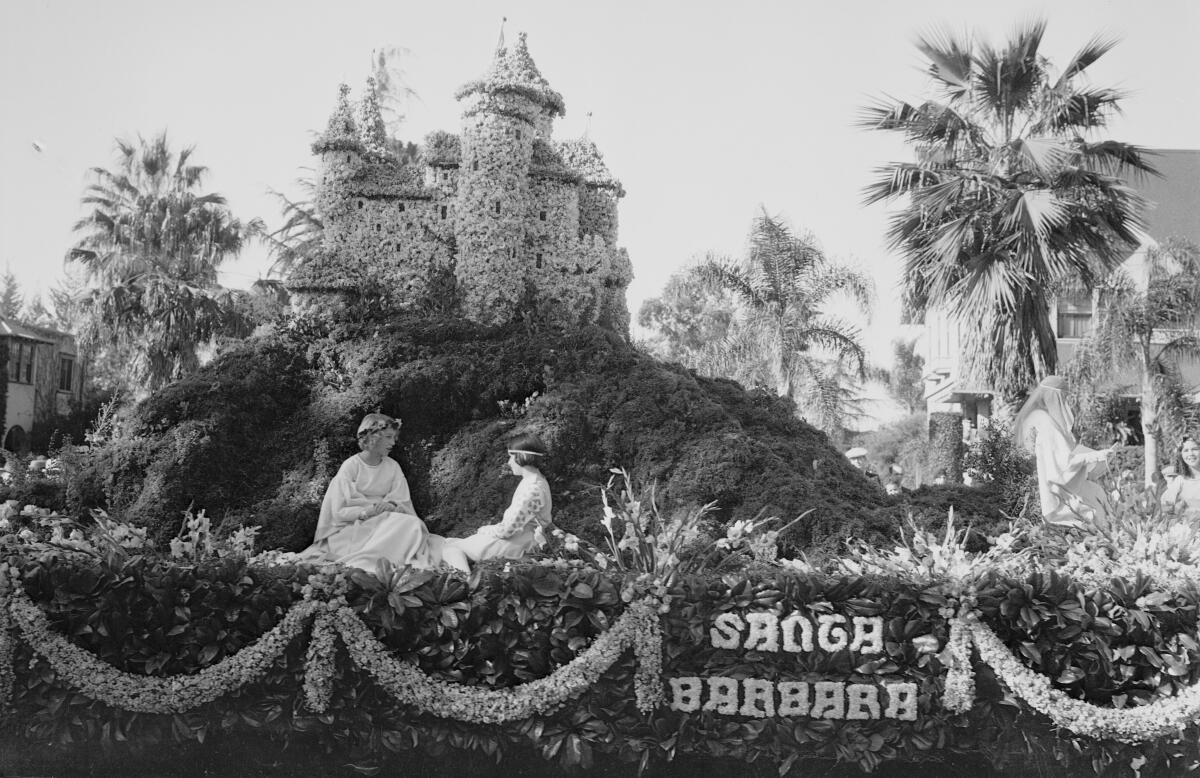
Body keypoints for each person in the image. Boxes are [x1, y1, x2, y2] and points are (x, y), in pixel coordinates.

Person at [302, 413, 438, 573]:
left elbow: (402, 499)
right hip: (355, 526)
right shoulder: (351, 466)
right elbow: (338, 510)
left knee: (413, 525)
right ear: (373, 437)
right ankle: (367, 561)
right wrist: (367, 511)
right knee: (406, 526)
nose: (393, 442)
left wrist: (391, 505)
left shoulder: (392, 466)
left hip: (386, 518)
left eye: (394, 437)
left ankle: (384, 560)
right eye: (388, 437)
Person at [441, 433, 553, 572]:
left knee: (450, 548)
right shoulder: (535, 481)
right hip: (521, 537)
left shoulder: (533, 489)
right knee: (451, 542)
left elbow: (506, 531)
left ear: (523, 457)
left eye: (511, 457)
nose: (509, 462)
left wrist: (485, 530)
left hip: (520, 543)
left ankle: (466, 582)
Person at [1014, 376, 1111, 527]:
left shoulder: (1043, 420)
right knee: (1097, 499)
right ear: (1055, 397)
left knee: (1097, 493)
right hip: (1059, 495)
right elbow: (1064, 465)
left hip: (1061, 486)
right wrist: (1095, 456)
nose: (1065, 403)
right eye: (1063, 397)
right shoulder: (1047, 424)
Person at [1161, 436, 1200, 520]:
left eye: (1195, 449)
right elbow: (1166, 506)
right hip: (1189, 528)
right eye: (1186, 450)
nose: (1191, 454)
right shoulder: (1180, 480)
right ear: (1181, 455)